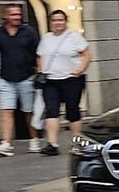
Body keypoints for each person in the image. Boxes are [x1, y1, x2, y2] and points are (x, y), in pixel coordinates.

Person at [0, 4, 40, 156]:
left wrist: (40, 73)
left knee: (29, 111)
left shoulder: (28, 32)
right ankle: (6, 143)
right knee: (6, 111)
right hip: (6, 78)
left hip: (27, 76)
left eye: (18, 14)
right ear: (6, 16)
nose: (17, 17)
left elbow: (38, 53)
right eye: (13, 15)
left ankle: (34, 139)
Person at [34, 10, 90, 155]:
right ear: (51, 22)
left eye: (60, 20)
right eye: (55, 20)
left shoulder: (74, 37)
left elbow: (86, 54)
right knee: (51, 110)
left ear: (65, 21)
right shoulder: (46, 38)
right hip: (51, 80)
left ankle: (76, 142)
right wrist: (41, 70)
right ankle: (52, 144)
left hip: (71, 80)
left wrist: (79, 70)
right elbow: (39, 56)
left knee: (73, 111)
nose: (58, 23)